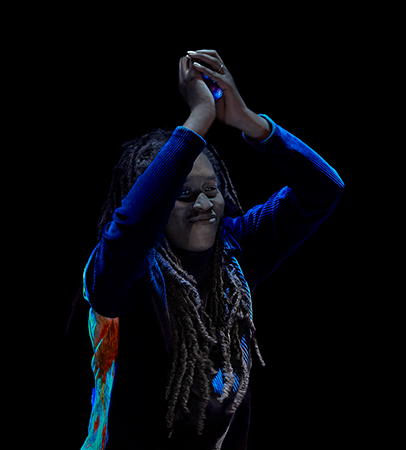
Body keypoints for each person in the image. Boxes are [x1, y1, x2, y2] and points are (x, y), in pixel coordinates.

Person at [79, 50, 345, 449]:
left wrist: (248, 121)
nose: (204, 205)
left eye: (211, 189)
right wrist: (199, 118)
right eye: (183, 195)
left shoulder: (236, 250)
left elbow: (323, 189)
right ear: (157, 201)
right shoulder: (123, 275)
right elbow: (132, 228)